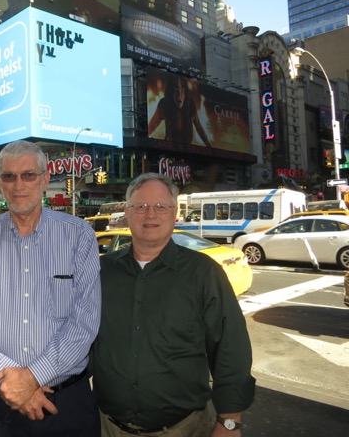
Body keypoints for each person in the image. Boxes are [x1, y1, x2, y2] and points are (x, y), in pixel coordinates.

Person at [0, 140, 101, 436]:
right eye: (9, 176)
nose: (18, 184)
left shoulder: (78, 236)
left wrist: (31, 379)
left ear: (45, 179)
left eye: (28, 175)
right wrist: (10, 380)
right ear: (1, 182)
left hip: (66, 402)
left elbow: (85, 321)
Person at [91, 173, 255, 437]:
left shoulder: (203, 273)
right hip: (107, 426)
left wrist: (229, 422)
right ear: (128, 213)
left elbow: (230, 348)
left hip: (184, 429)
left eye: (161, 207)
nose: (150, 214)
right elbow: (79, 338)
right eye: (141, 206)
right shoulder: (102, 271)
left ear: (174, 213)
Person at [148, 75, 211, 146]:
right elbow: (152, 126)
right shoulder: (164, 104)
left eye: (182, 90)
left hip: (187, 150)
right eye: (176, 90)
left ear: (186, 92)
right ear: (171, 92)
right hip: (169, 150)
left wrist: (210, 147)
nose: (179, 95)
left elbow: (199, 128)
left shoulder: (190, 104)